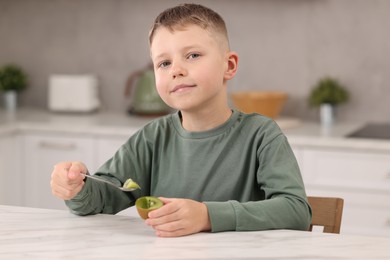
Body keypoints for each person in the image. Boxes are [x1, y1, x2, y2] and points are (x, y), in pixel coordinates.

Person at [50, 3, 311, 238]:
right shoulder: (152, 138)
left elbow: (296, 210)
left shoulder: (261, 135)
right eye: (163, 63)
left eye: (193, 55)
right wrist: (77, 188)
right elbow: (103, 197)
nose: (176, 70)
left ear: (228, 65)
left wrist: (207, 216)